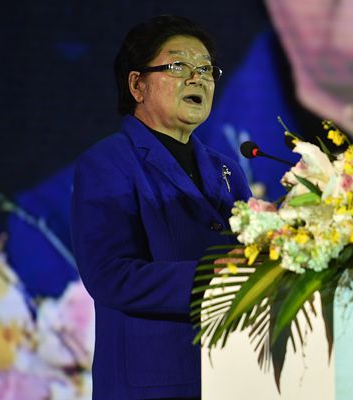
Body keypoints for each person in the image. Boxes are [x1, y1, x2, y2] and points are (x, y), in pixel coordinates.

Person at [70, 15, 251, 399]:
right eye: (178, 66)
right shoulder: (108, 163)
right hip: (153, 382)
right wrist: (209, 276)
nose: (197, 79)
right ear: (137, 84)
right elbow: (109, 275)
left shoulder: (227, 170)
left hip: (232, 374)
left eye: (206, 69)